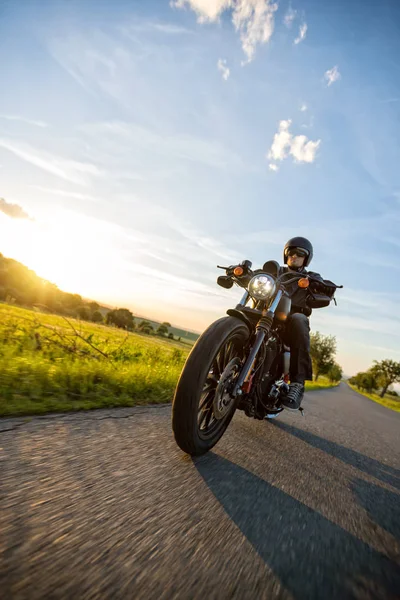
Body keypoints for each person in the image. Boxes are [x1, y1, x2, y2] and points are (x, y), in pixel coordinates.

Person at [278, 236, 324, 411]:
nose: (294, 256)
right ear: (285, 255)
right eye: (291, 252)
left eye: (300, 254)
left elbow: (324, 287)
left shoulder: (310, 277)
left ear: (306, 258)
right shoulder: (276, 271)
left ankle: (297, 384)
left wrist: (323, 287)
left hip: (290, 325)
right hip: (268, 315)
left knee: (299, 319)